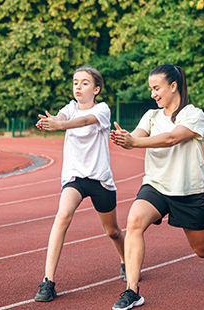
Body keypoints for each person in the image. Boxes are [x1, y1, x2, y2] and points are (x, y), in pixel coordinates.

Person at [110, 64, 204, 310]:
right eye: (151, 89)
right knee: (134, 222)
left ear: (173, 86)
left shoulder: (193, 114)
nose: (153, 94)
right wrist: (126, 138)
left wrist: (135, 142)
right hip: (156, 186)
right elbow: (139, 134)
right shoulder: (151, 116)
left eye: (156, 88)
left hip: (189, 192)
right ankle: (132, 290)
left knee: (202, 249)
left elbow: (172, 138)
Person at [34, 67, 126, 302]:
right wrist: (53, 121)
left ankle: (127, 261)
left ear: (96, 89)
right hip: (75, 178)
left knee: (112, 231)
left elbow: (84, 121)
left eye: (84, 83)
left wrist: (60, 126)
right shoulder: (69, 108)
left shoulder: (102, 109)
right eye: (75, 82)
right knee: (62, 216)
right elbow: (64, 117)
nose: (78, 86)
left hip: (100, 179)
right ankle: (48, 281)